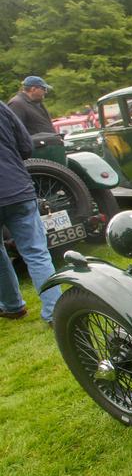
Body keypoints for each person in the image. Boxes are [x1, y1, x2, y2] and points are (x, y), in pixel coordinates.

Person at [0, 101, 60, 324]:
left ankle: (13, 306)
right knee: (36, 253)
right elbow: (26, 146)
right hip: (17, 188)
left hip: (16, 189)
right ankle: (55, 311)